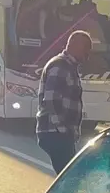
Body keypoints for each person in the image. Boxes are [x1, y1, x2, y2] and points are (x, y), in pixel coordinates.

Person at [36, 30, 91, 173]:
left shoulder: (69, 67)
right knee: (69, 180)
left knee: (67, 178)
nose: (88, 55)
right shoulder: (60, 66)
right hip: (55, 133)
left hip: (60, 133)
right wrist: (63, 130)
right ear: (76, 46)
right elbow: (51, 100)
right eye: (87, 49)